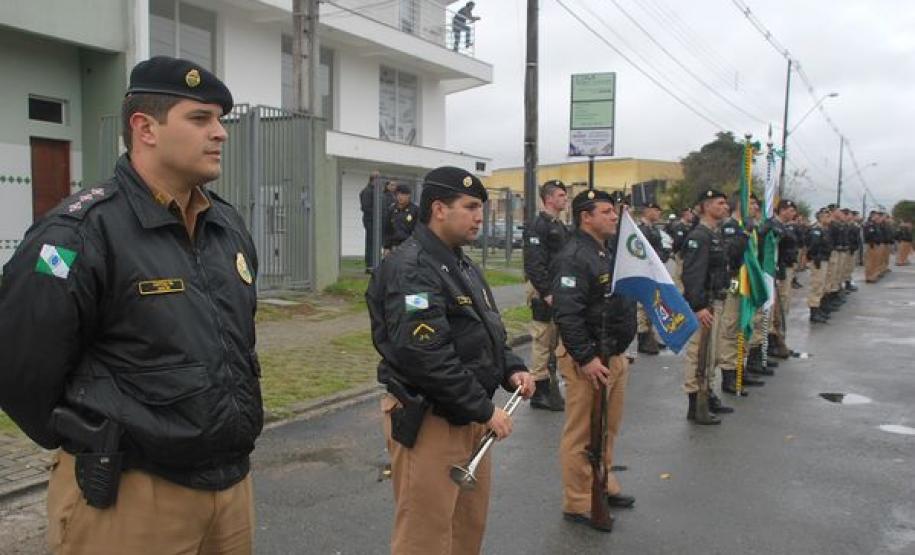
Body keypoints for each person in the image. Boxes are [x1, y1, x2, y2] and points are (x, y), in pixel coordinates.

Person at [0, 56, 262, 554]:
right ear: (145, 128)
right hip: (131, 497)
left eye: (220, 120)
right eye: (201, 118)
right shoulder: (78, 234)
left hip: (230, 491)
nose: (221, 133)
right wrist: (90, 433)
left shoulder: (226, 227)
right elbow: (18, 365)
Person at [366, 166, 535, 555]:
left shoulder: (461, 264)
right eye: (471, 206)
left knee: (465, 531)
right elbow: (424, 354)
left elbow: (487, 333)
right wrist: (483, 409)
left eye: (482, 208)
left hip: (468, 416)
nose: (480, 216)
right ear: (439, 209)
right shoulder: (412, 267)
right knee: (424, 538)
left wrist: (512, 368)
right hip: (431, 420)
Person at [552, 189, 637, 530]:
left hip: (612, 354)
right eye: (606, 212)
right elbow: (567, 312)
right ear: (585, 217)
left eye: (613, 211)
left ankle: (601, 482)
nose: (614, 216)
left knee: (607, 427)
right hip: (587, 359)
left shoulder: (606, 250)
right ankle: (577, 500)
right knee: (582, 432)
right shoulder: (574, 255)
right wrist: (586, 358)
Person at [680, 189, 733, 424]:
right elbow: (692, 275)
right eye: (720, 203)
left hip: (716, 300)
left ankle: (707, 393)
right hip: (705, 304)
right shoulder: (699, 236)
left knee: (711, 353)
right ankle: (695, 403)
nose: (726, 207)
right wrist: (699, 306)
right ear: (706, 206)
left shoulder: (714, 234)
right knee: (698, 353)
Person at [523, 179, 571, 411]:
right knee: (542, 338)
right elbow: (534, 264)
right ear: (549, 198)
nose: (565, 199)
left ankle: (550, 385)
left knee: (554, 340)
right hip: (544, 289)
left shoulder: (559, 225)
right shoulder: (538, 225)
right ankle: (540, 391)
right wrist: (546, 292)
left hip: (557, 287)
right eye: (561, 195)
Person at [716, 194, 765, 397]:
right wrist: (743, 234)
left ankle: (739, 369)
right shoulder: (732, 227)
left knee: (745, 326)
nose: (755, 207)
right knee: (731, 326)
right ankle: (729, 374)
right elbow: (730, 255)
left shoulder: (749, 228)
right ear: (741, 205)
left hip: (748, 283)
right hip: (736, 281)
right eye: (751, 203)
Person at [768, 200, 800, 359]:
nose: (793, 213)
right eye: (790, 210)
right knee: (777, 308)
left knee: (783, 306)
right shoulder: (775, 225)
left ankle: (779, 341)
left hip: (785, 268)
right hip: (778, 269)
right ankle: (774, 342)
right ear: (782, 210)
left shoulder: (785, 226)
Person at [635, 202, 668, 355]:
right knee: (643, 306)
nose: (658, 213)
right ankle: (643, 338)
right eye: (656, 210)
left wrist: (660, 257)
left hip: (654, 270)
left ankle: (650, 336)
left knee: (651, 304)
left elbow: (659, 249)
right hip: (644, 270)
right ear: (647, 211)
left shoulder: (653, 229)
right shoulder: (641, 229)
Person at [806, 208, 833, 323]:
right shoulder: (817, 230)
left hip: (824, 259)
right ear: (821, 217)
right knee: (817, 285)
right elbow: (813, 246)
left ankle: (819, 308)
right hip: (819, 261)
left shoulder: (824, 229)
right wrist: (815, 258)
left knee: (822, 284)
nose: (829, 219)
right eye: (827, 216)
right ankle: (814, 312)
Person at [383, 183, 419, 252]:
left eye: (403, 194)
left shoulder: (415, 210)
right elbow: (387, 230)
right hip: (394, 246)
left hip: (409, 246)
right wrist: (386, 247)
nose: (400, 197)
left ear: (409, 195)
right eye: (398, 194)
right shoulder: (392, 209)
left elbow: (418, 230)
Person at [360, 170, 382, 272]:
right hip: (370, 221)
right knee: (370, 242)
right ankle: (370, 265)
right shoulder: (367, 191)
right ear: (374, 179)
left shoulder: (374, 190)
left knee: (375, 242)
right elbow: (365, 207)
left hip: (374, 220)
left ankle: (375, 263)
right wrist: (376, 213)